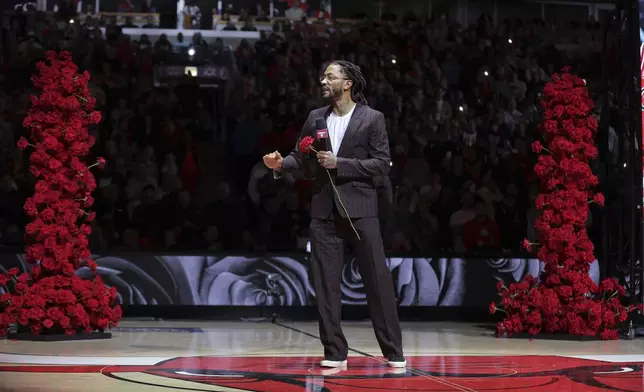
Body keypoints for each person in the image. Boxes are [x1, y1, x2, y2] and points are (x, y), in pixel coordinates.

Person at [263, 61, 405, 369]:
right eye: (324, 75)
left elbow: (382, 164)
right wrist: (279, 165)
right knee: (326, 285)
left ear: (348, 83)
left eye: (331, 76)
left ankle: (394, 352)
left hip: (361, 211)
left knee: (377, 283)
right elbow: (300, 157)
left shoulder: (372, 119)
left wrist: (342, 163)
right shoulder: (316, 118)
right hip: (324, 213)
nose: (323, 80)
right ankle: (334, 352)